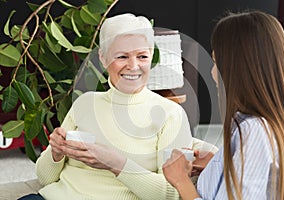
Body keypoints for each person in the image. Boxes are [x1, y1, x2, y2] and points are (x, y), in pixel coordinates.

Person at [18, 13, 217, 200]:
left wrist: (116, 164)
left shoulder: (170, 114)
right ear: (103, 59)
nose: (133, 66)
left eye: (142, 56)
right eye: (122, 56)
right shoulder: (85, 103)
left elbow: (171, 193)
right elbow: (45, 179)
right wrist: (56, 152)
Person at [163, 10, 284, 200]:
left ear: (237, 71)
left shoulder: (254, 130)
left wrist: (180, 181)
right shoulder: (270, 127)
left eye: (216, 62)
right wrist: (218, 165)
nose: (212, 73)